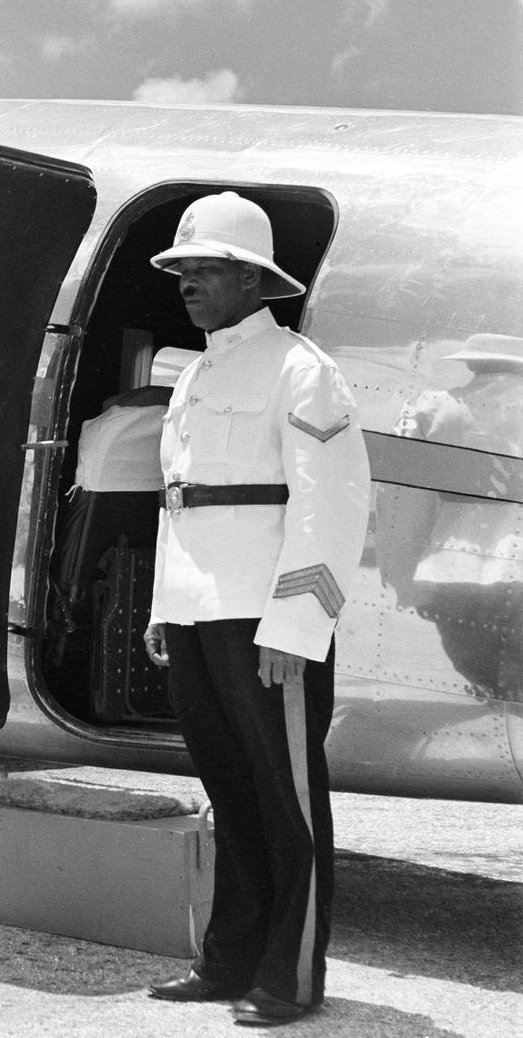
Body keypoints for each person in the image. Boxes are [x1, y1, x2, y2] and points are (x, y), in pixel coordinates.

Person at [140, 192, 370, 1027]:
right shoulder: (195, 375)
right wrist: (167, 608)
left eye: (205, 269)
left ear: (251, 279)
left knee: (287, 801)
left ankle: (291, 975)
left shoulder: (302, 369)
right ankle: (228, 959)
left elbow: (333, 506)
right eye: (180, 269)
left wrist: (298, 626)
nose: (187, 282)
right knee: (231, 794)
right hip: (202, 614)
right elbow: (180, 502)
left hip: (268, 619)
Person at [378, 334, 523, 697]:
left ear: (471, 363)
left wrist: (397, 569)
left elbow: (400, 498)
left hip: (453, 568)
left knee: (477, 666)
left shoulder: (430, 409)